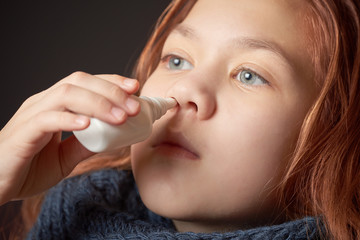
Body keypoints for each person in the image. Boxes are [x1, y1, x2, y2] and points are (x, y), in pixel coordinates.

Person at [0, 0, 359, 239]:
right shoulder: (72, 219)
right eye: (176, 60)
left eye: (249, 75)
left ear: (332, 130)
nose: (184, 88)